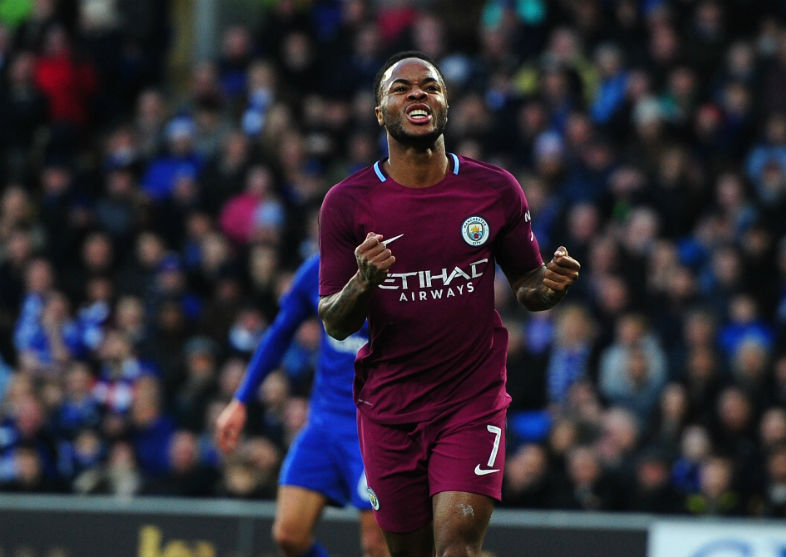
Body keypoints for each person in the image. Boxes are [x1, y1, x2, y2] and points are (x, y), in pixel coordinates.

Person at [317, 50, 581, 557]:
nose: (418, 93)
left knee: (456, 548)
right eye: (401, 87)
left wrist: (548, 287)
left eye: (430, 86)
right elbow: (334, 320)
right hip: (389, 406)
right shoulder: (346, 203)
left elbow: (528, 284)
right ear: (380, 113)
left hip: (470, 399)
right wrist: (363, 282)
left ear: (445, 105)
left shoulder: (494, 189)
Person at [215, 254, 388, 557]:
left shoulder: (404, 271)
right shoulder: (319, 267)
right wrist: (240, 400)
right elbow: (280, 332)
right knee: (289, 535)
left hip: (379, 427)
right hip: (324, 424)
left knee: (377, 545)